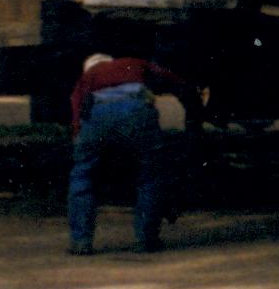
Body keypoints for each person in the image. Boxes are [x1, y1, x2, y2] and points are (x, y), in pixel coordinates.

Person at [66, 49, 189, 255]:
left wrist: (79, 139)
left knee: (83, 175)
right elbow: (169, 77)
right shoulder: (132, 62)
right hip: (136, 111)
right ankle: (147, 239)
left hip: (98, 116)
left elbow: (77, 107)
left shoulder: (88, 76)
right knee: (151, 173)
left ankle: (81, 241)